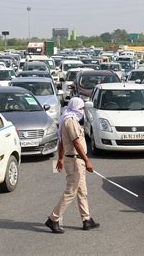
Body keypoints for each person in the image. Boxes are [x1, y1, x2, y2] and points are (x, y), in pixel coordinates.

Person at [45, 97, 99, 234]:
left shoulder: (67, 118)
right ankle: (53, 218)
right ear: (75, 108)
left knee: (82, 191)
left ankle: (86, 219)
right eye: (81, 108)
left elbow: (62, 142)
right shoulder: (70, 121)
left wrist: (60, 158)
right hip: (75, 161)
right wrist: (87, 160)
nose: (82, 111)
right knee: (71, 192)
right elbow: (75, 142)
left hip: (75, 160)